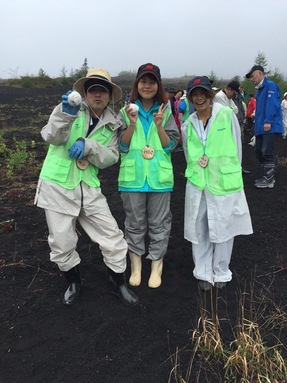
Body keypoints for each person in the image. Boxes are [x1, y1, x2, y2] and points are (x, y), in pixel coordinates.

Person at [34, 68, 139, 306]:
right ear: (85, 93)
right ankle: (74, 282)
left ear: (110, 96)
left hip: (88, 186)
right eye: (93, 90)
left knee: (112, 236)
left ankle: (118, 283)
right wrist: (64, 116)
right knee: (62, 241)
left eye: (103, 90)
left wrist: (88, 145)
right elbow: (51, 137)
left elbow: (111, 157)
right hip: (58, 185)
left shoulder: (113, 123)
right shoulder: (69, 110)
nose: (98, 95)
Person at [181, 76, 253, 291]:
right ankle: (202, 271)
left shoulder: (226, 115)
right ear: (190, 98)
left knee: (224, 226)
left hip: (224, 181)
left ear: (210, 95)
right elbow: (187, 153)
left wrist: (234, 173)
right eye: (195, 94)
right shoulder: (188, 124)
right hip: (198, 182)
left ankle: (221, 271)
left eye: (203, 93)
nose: (199, 97)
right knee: (199, 226)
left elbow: (237, 147)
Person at [117, 63, 180, 288]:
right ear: (137, 83)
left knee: (159, 223)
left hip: (159, 179)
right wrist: (132, 125)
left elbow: (170, 145)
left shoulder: (166, 111)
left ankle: (156, 267)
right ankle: (136, 268)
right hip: (132, 179)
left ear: (158, 85)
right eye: (143, 81)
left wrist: (160, 125)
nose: (147, 85)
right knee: (134, 223)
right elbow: (121, 146)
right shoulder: (125, 112)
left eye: (152, 82)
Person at [245, 65, 283, 188]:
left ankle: (269, 179)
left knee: (266, 151)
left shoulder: (270, 86)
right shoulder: (260, 90)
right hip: (261, 127)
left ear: (260, 73)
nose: (251, 78)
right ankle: (267, 173)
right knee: (259, 152)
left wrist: (268, 121)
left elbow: (272, 104)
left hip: (269, 126)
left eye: (252, 75)